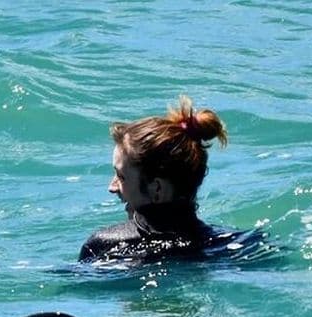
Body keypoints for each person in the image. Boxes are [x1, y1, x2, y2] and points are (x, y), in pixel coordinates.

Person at [79, 95, 241, 263]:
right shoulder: (231, 245)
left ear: (156, 188)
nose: (112, 187)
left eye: (121, 176)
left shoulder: (103, 247)